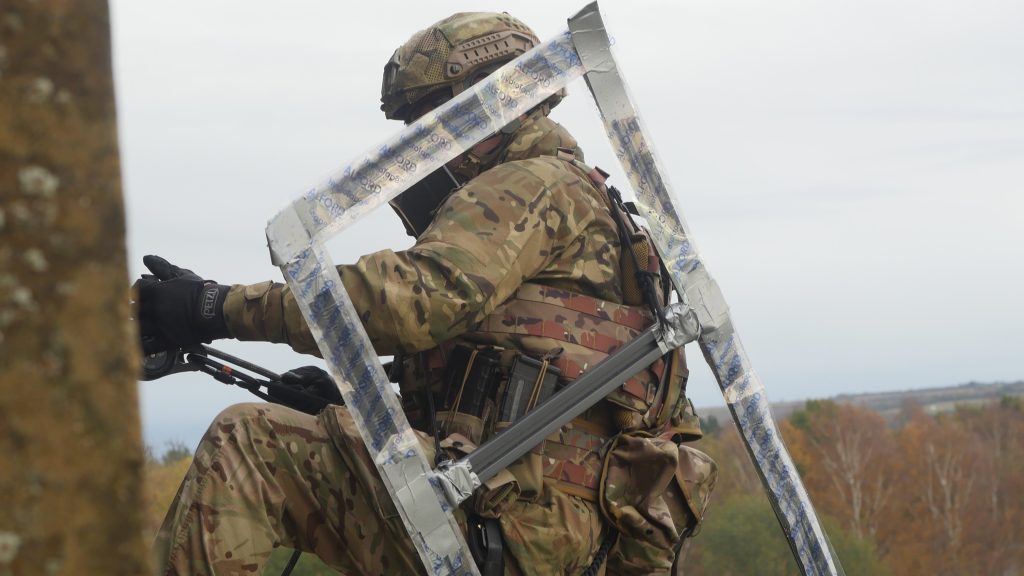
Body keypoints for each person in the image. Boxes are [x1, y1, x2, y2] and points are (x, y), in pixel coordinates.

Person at [137, 11, 715, 576]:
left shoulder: (530, 184)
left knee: (248, 448)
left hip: (516, 521)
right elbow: (521, 381)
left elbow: (408, 301)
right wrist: (351, 400)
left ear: (485, 101)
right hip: (536, 520)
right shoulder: (587, 202)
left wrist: (213, 309)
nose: (420, 144)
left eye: (430, 117)